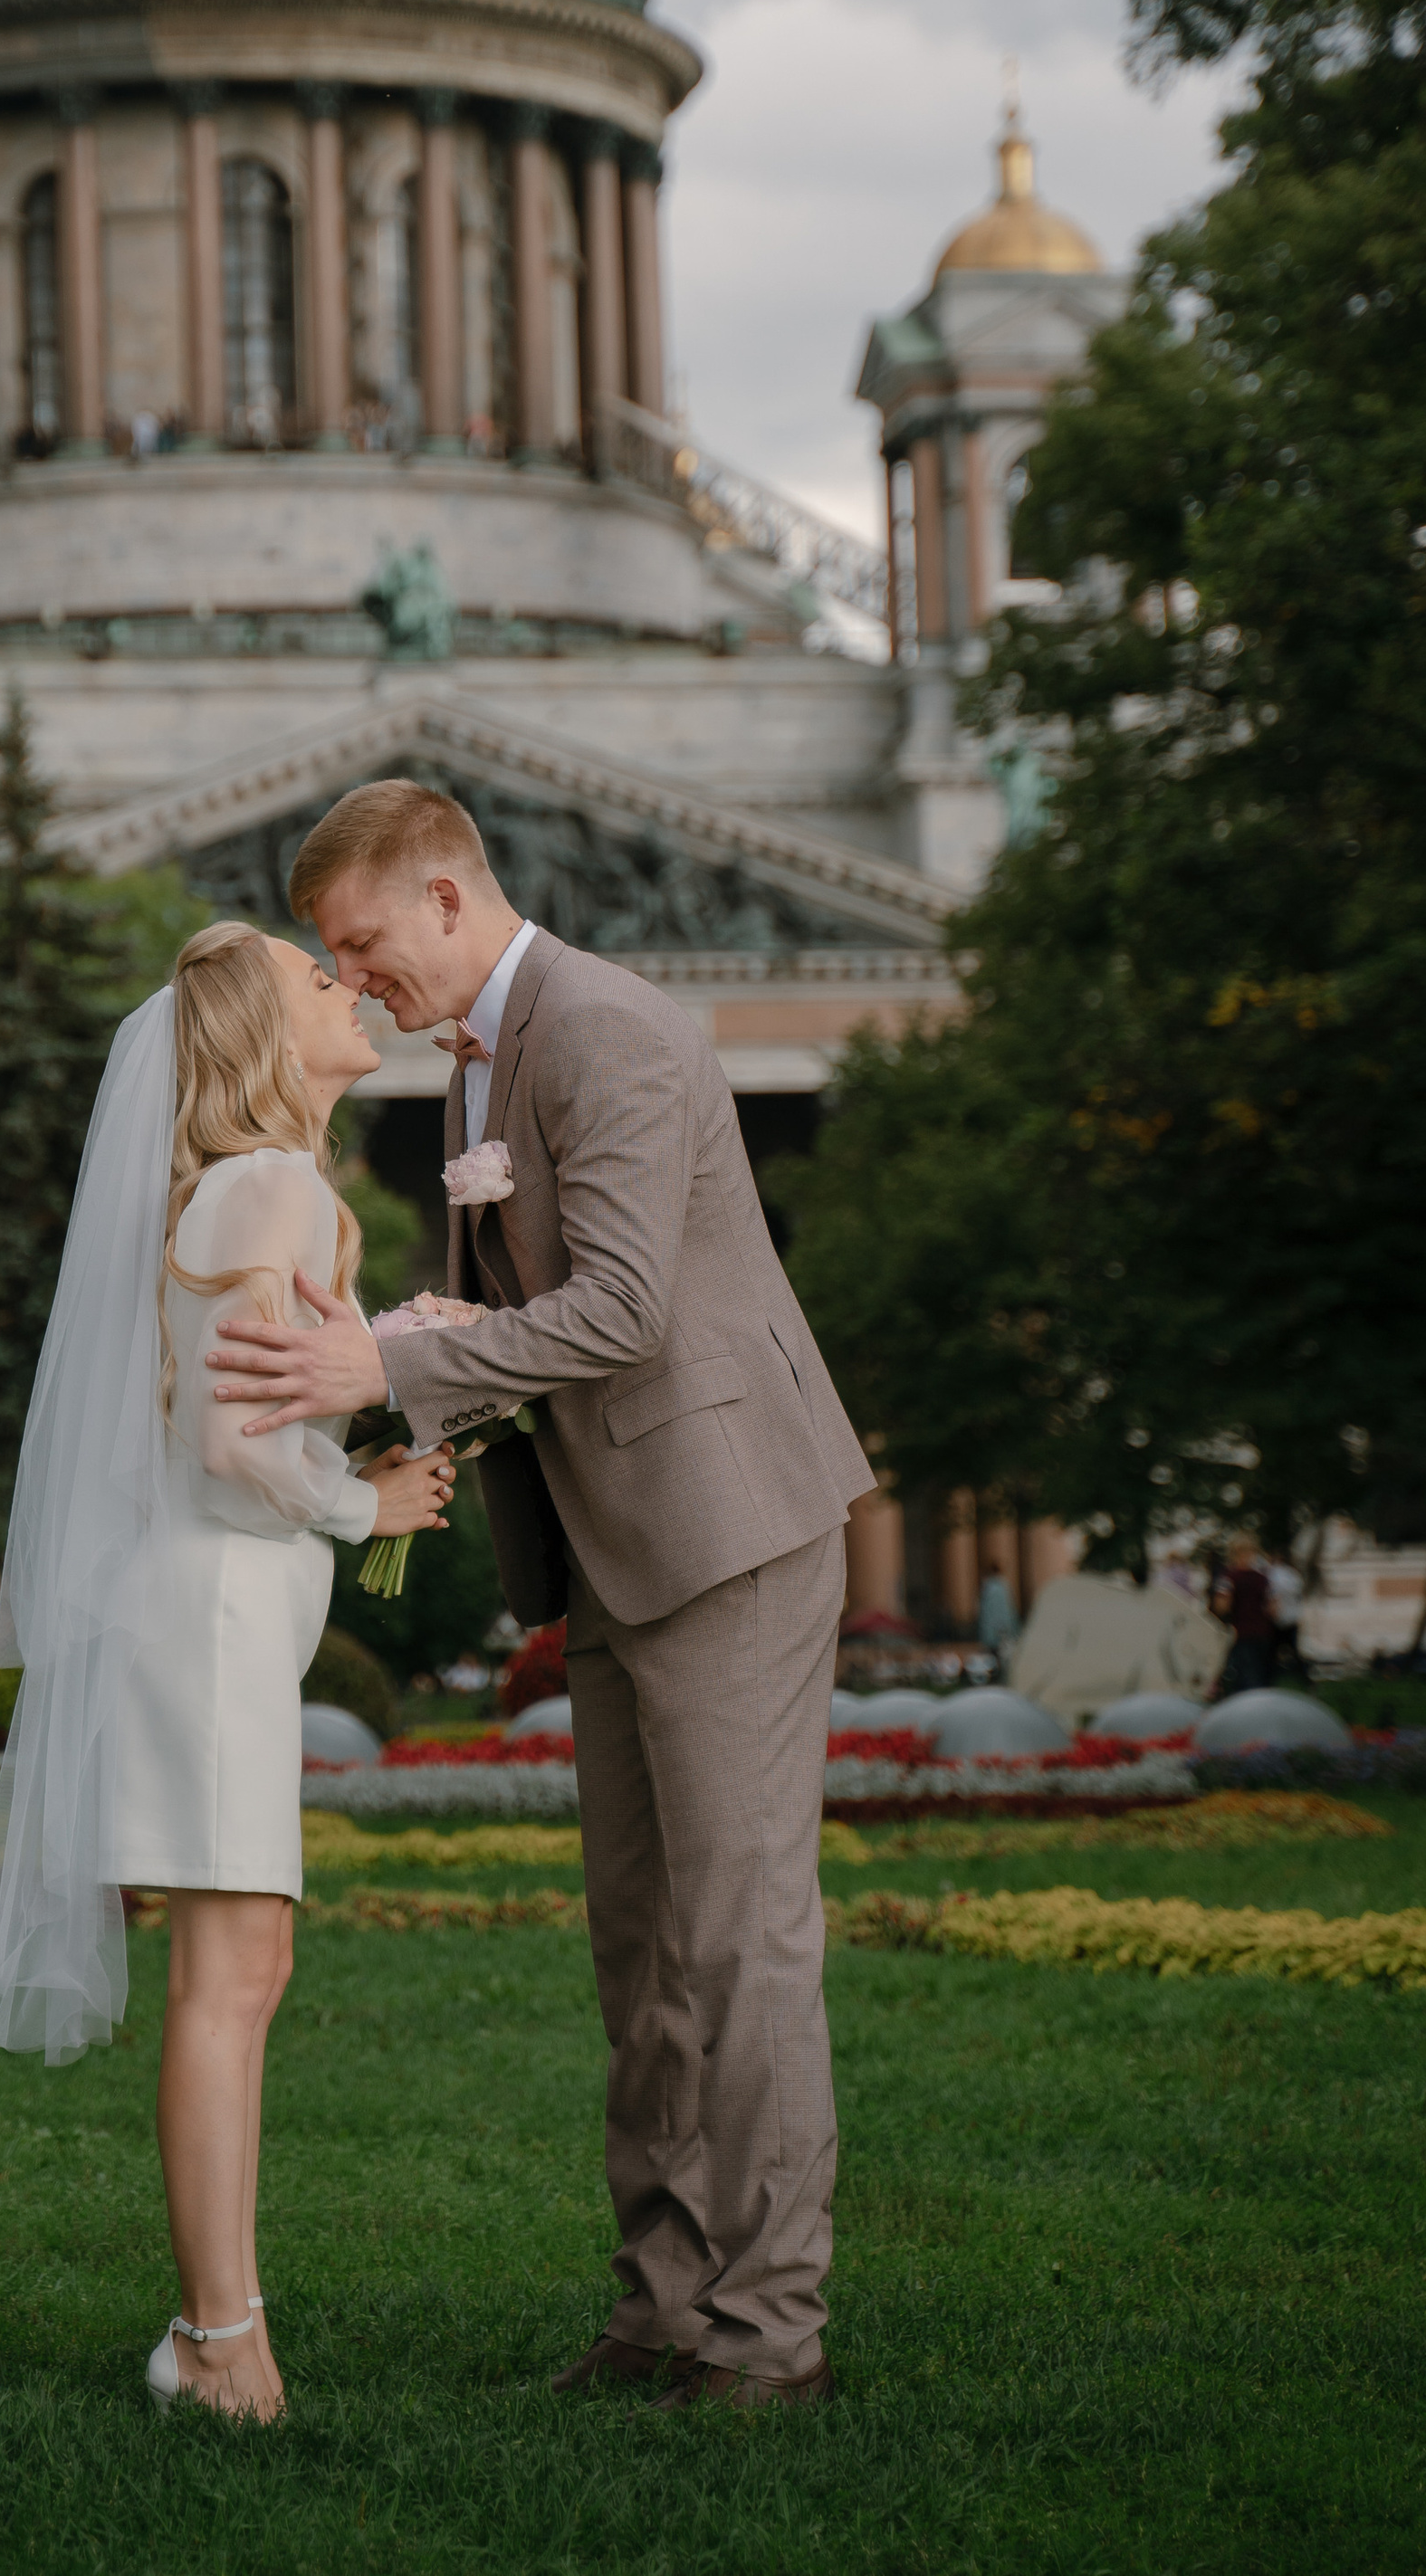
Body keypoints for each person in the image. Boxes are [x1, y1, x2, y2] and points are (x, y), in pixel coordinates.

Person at [208, 781, 875, 2415]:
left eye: (361, 946)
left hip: (728, 1530)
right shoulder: (485, 1059)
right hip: (618, 1535)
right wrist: (414, 1359)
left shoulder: (611, 1031)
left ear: (447, 897)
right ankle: (659, 2311)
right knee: (639, 1954)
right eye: (332, 963)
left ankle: (766, 2340)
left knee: (738, 1945)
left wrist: (397, 1354)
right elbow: (546, 1302)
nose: (352, 983)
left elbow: (633, 1312)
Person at [0, 921, 455, 2422]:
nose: (350, 987)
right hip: (215, 1621)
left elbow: (246, 1414)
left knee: (243, 1972)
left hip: (219, 1614)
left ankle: (212, 2334)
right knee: (229, 1986)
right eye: (321, 981)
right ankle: (219, 2346)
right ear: (261, 1037)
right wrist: (371, 1502)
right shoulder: (274, 1186)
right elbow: (234, 1448)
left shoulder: (250, 1188)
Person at [1217, 1544, 1274, 1693]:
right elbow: (1273, 1608)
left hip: (1241, 1632)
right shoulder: (1263, 1578)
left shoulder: (1228, 1578)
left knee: (1246, 1677)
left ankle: (1249, 1710)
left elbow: (1222, 1607)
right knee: (1262, 1675)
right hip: (1263, 1632)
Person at [1267, 1548, 1306, 1682]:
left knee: (1272, 1653)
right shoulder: (1293, 1574)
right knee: (1297, 1651)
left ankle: (1273, 1678)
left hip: (1278, 1619)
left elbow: (1273, 1595)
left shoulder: (1273, 1573)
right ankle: (1303, 1678)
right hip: (1294, 1617)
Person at [976, 1567, 1019, 1678]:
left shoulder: (989, 1587)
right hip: (1003, 1627)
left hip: (991, 1629)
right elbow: (1009, 1609)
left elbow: (985, 1611)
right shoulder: (1004, 1586)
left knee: (992, 1655)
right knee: (1003, 1655)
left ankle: (993, 1675)